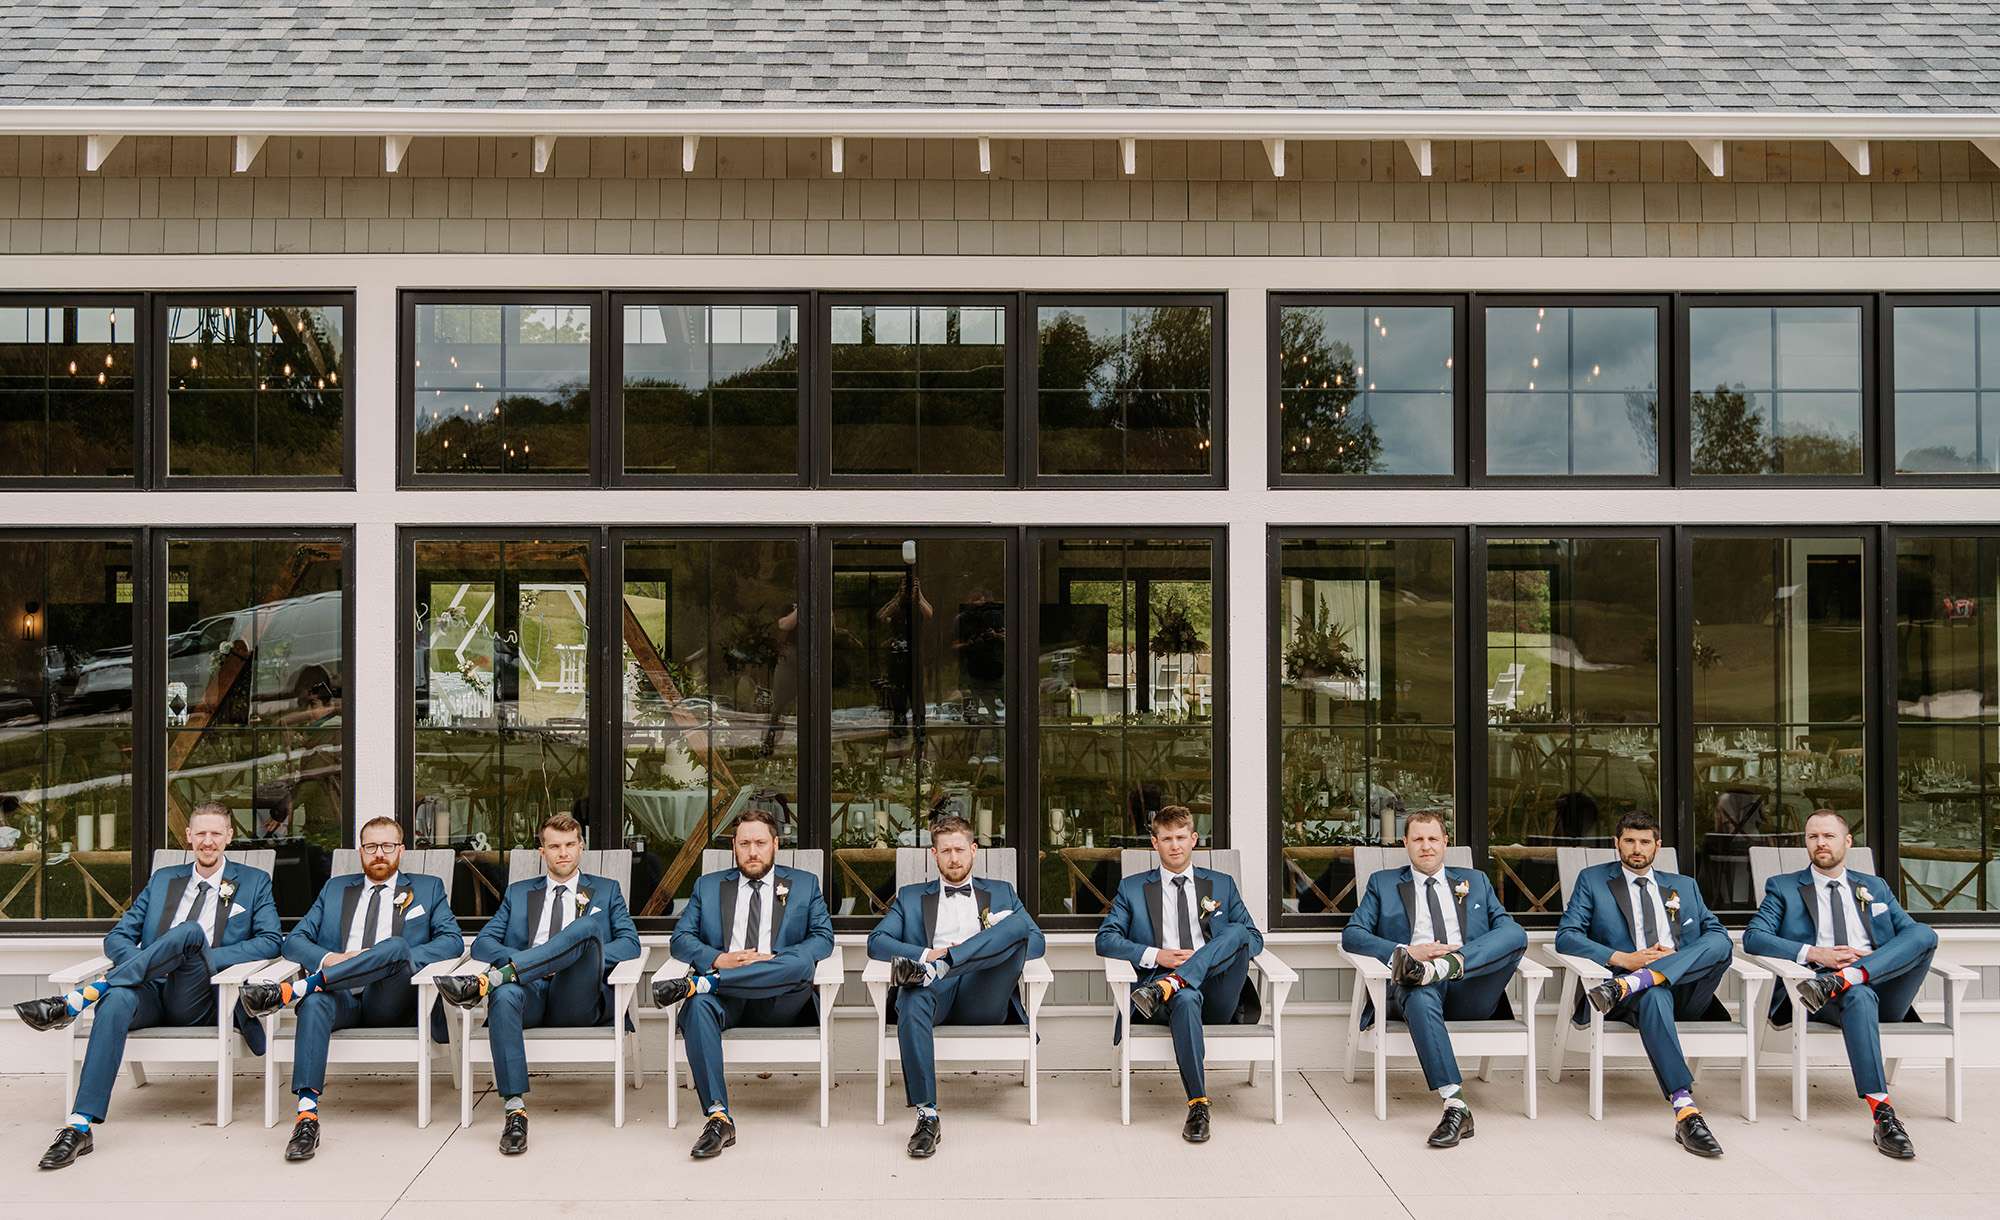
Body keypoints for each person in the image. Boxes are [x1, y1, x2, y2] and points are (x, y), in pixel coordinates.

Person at [14, 802, 281, 1170]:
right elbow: (119, 936)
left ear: (229, 837)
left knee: (189, 933)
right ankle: (79, 1126)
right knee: (117, 1001)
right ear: (188, 837)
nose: (207, 841)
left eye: (216, 833)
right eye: (200, 833)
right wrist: (151, 962)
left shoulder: (253, 882)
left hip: (202, 994)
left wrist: (204, 953)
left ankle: (82, 997)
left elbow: (271, 940)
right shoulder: (163, 880)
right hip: (148, 989)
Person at [239, 815, 463, 1161]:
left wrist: (384, 960)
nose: (379, 854)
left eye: (388, 846)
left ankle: (295, 990)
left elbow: (451, 942)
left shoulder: (428, 887)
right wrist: (332, 957)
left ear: (401, 850)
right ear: (361, 851)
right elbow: (294, 941)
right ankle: (306, 1116)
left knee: (396, 946)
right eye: (371, 846)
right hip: (339, 997)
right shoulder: (335, 889)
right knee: (314, 1006)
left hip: (391, 1000)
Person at [435, 813, 640, 1156]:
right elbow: (485, 943)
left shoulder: (606, 890)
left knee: (586, 928)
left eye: (570, 845)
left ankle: (493, 978)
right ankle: (514, 1110)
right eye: (555, 846)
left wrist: (567, 957)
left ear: (581, 847)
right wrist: (530, 963)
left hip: (575, 996)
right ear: (542, 851)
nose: (563, 853)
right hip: (527, 991)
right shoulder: (518, 893)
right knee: (504, 996)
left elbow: (629, 943)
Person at [1743, 808, 1938, 1159]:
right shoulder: (1785, 887)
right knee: (1859, 996)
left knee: (1924, 933)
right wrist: (1818, 954)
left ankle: (1849, 977)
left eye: (1828, 836)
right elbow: (1754, 938)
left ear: (1847, 841)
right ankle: (1883, 1116)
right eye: (1813, 836)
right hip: (1819, 992)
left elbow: (1910, 934)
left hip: (1884, 986)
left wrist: (1860, 966)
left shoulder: (1874, 887)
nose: (1820, 843)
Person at [653, 807, 834, 1159]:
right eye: (745, 843)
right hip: (728, 1001)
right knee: (697, 1006)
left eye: (761, 843)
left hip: (782, 999)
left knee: (798, 962)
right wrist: (719, 959)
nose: (753, 852)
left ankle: (706, 983)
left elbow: (823, 938)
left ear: (776, 845)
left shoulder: (803, 884)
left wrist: (776, 961)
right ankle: (718, 1117)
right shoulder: (708, 886)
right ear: (734, 846)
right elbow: (681, 939)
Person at [1555, 811, 1734, 1158]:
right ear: (1616, 843)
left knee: (1722, 944)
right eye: (1630, 841)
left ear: (1658, 846)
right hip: (1626, 995)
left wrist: (1671, 959)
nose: (1637, 849)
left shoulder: (1684, 885)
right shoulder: (1593, 881)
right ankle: (1685, 1110)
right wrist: (1624, 959)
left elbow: (1716, 936)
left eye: (1645, 842)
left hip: (1687, 990)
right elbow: (1567, 937)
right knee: (1653, 996)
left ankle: (1645, 978)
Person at [1342, 810, 1525, 1147]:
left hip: (1472, 988)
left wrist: (1456, 960)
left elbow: (1508, 931)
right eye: (1417, 839)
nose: (1426, 846)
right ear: (1405, 844)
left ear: (1445, 842)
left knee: (1516, 933)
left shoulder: (1476, 881)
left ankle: (1445, 967)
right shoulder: (1384, 883)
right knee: (1416, 985)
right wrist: (1408, 952)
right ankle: (1455, 1104)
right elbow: (1353, 935)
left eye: (1432, 839)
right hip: (1416, 986)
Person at [867, 814, 1045, 1157]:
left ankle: (946, 965)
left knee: (1017, 926)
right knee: (911, 994)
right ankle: (927, 1115)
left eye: (959, 849)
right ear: (934, 855)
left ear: (974, 850)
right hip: (935, 993)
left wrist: (953, 958)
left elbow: (1035, 942)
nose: (953, 858)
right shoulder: (911, 896)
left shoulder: (1002, 892)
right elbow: (877, 942)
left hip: (985, 993)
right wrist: (926, 953)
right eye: (945, 851)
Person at [1095, 804, 1264, 1143]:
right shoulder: (1132, 889)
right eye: (1167, 838)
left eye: (1181, 837)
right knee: (1185, 997)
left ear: (1194, 840)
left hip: (1218, 993)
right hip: (1154, 999)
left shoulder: (1222, 885)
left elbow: (1254, 940)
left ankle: (1176, 981)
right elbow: (1106, 939)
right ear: (1154, 843)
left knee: (1237, 932)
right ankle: (1198, 1106)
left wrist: (1198, 960)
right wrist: (1156, 954)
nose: (1175, 845)